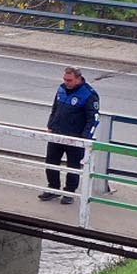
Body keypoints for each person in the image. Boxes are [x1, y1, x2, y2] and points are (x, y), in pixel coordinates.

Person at [42, 65, 99, 203]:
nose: (67, 83)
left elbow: (93, 119)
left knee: (73, 166)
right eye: (65, 79)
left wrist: (84, 138)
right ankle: (53, 188)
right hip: (57, 133)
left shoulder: (89, 94)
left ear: (78, 79)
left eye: (70, 80)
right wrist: (50, 125)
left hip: (75, 137)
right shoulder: (61, 89)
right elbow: (55, 109)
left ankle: (69, 192)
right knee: (51, 162)